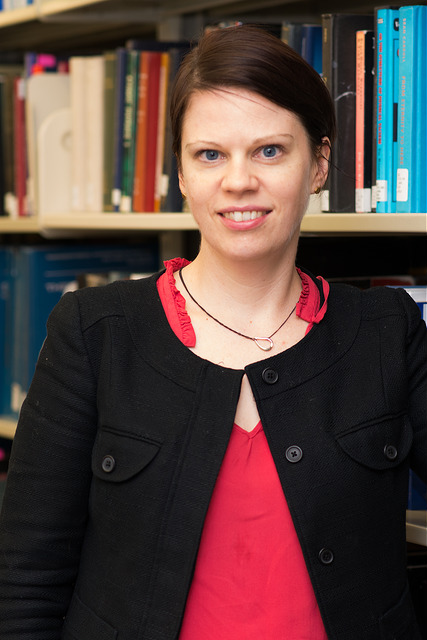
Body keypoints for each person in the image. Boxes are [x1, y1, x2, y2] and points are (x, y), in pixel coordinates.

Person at [0, 24, 426, 640]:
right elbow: (26, 581)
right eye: (210, 154)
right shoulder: (95, 334)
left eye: (270, 151)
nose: (238, 182)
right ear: (181, 169)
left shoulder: (385, 333)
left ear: (320, 164)